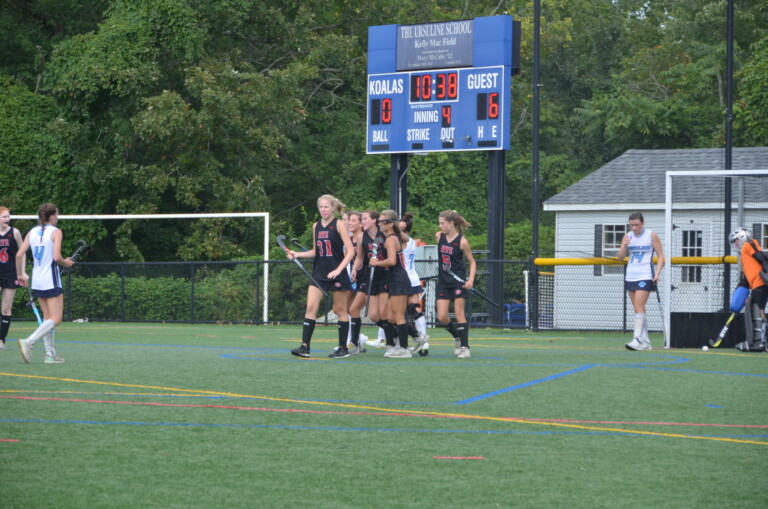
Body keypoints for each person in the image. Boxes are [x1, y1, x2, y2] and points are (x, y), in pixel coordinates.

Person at [285, 195, 355, 359]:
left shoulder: (338, 224)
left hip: (337, 273)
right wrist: (297, 254)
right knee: (310, 307)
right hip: (320, 273)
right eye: (321, 207)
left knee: (340, 310)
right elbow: (316, 251)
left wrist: (338, 270)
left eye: (326, 207)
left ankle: (343, 348)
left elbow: (351, 251)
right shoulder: (316, 226)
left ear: (332, 208)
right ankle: (305, 347)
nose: (323, 210)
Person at [16, 203, 75, 363]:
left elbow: (19, 254)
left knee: (48, 318)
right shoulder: (56, 232)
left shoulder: (32, 232)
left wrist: (21, 274)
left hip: (37, 280)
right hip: (51, 279)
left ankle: (49, 354)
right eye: (57, 214)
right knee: (56, 319)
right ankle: (29, 341)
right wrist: (66, 262)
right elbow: (56, 257)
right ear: (53, 216)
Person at [618, 212, 665, 351]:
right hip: (630, 275)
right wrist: (624, 246)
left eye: (637, 225)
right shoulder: (627, 236)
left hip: (645, 275)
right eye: (632, 225)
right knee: (638, 309)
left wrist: (657, 273)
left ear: (642, 223)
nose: (634, 228)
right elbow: (620, 257)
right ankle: (645, 341)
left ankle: (637, 339)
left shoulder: (651, 235)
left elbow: (661, 255)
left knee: (639, 306)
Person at [370, 210, 412, 358]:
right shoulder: (391, 237)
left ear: (391, 224)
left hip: (398, 280)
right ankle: (399, 344)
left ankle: (405, 349)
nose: (380, 224)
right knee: (388, 316)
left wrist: (376, 262)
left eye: (383, 222)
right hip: (392, 280)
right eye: (379, 221)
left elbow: (392, 261)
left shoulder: (390, 239)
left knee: (399, 316)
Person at [435, 210, 476, 358]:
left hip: (458, 282)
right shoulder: (439, 236)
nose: (440, 226)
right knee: (442, 317)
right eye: (440, 223)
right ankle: (457, 337)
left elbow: (472, 262)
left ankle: (465, 348)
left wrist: (470, 280)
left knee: (459, 313)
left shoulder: (462, 241)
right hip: (443, 282)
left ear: (451, 223)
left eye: (443, 223)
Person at [350, 210, 387, 349]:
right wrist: (354, 269)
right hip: (368, 277)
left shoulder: (384, 234)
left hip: (384, 276)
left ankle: (403, 335)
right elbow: (360, 257)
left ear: (374, 220)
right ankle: (355, 342)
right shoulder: (361, 237)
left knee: (385, 314)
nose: (363, 221)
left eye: (365, 219)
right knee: (372, 315)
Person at [729, 228, 768, 352]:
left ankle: (758, 342)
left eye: (736, 241)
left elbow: (761, 257)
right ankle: (761, 342)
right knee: (757, 308)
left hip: (760, 282)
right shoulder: (743, 257)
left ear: (742, 237)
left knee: (757, 309)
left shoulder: (749, 244)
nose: (736, 244)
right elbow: (745, 279)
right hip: (756, 284)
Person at [399, 212, 429, 354]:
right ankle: (424, 341)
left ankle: (419, 339)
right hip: (413, 278)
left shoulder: (403, 239)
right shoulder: (411, 240)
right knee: (415, 310)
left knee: (395, 312)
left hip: (404, 279)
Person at [0, 207, 24, 350]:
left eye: (8, 216)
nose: (7, 219)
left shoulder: (14, 233)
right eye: (4, 217)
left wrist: (22, 272)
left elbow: (22, 252)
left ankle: (1, 340)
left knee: (6, 308)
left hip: (10, 274)